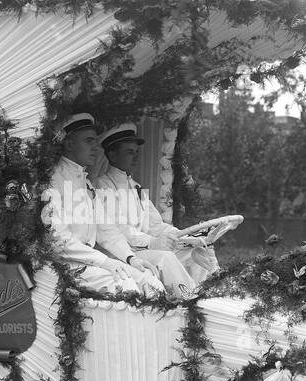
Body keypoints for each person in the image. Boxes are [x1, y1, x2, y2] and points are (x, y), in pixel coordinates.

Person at [42, 113, 164, 298]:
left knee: (152, 283)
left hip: (89, 262)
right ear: (68, 144)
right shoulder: (52, 181)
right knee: (128, 289)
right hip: (65, 264)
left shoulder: (86, 184)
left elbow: (106, 230)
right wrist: (106, 262)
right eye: (89, 141)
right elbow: (59, 240)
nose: (95, 148)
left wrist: (131, 259)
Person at [94, 122, 220, 292]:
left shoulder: (136, 188)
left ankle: (210, 292)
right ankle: (190, 301)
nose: (136, 158)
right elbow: (118, 230)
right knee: (165, 258)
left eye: (136, 153)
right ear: (112, 155)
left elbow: (156, 225)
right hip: (120, 254)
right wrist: (153, 242)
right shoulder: (101, 186)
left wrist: (185, 236)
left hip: (142, 250)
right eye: (130, 153)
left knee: (194, 252)